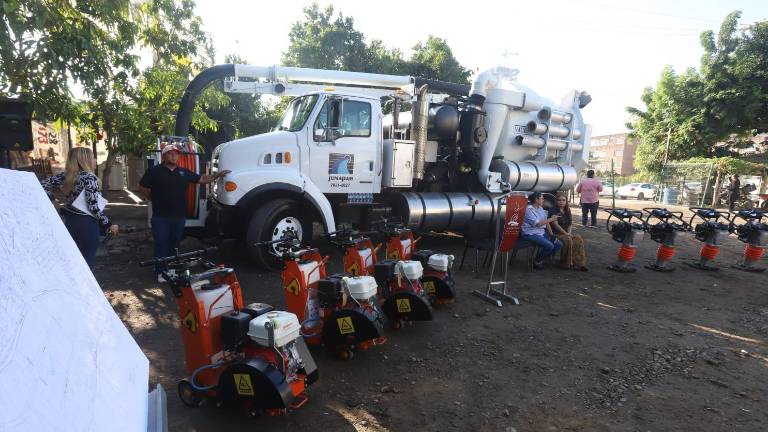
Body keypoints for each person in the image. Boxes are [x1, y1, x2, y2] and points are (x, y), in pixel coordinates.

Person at [139, 144, 231, 282]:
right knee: (161, 243)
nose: (174, 156)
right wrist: (153, 198)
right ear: (164, 156)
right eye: (170, 153)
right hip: (160, 217)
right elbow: (142, 187)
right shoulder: (154, 171)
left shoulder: (183, 172)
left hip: (179, 216)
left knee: (174, 243)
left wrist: (218, 175)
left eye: (176, 154)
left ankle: (170, 268)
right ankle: (160, 271)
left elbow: (202, 179)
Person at [40, 147, 119, 267]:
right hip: (87, 223)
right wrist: (109, 224)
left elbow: (42, 184)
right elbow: (93, 206)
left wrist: (53, 200)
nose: (95, 159)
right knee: (87, 262)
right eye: (92, 157)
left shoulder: (67, 175)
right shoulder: (90, 178)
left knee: (73, 262)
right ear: (85, 160)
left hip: (70, 221)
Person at [521, 192, 563, 270]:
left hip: (541, 232)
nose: (543, 200)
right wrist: (551, 219)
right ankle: (536, 261)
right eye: (542, 198)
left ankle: (544, 259)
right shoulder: (528, 210)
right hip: (530, 233)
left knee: (558, 244)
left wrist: (551, 234)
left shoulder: (540, 208)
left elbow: (546, 222)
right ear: (536, 199)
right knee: (549, 246)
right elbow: (538, 224)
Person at [549, 194, 588, 271]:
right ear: (556, 201)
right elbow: (555, 225)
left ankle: (579, 263)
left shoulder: (567, 210)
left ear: (566, 201)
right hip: (556, 232)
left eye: (563, 200)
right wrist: (566, 234)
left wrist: (569, 233)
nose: (561, 202)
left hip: (566, 232)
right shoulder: (553, 210)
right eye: (559, 200)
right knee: (568, 240)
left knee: (578, 239)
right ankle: (565, 263)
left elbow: (570, 223)